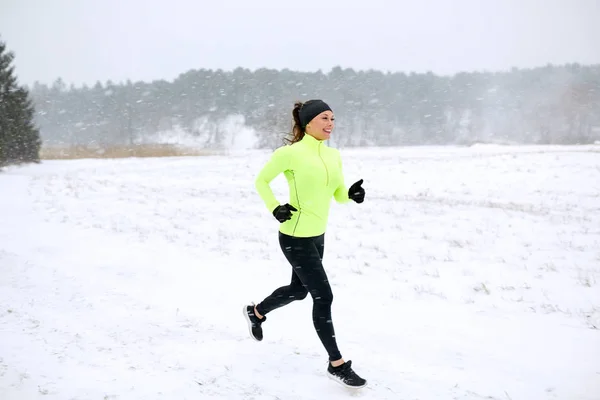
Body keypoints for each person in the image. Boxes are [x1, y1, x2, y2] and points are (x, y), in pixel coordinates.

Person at [243, 99, 367, 389]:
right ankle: (337, 364)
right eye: (324, 118)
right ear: (307, 122)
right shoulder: (289, 154)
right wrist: (275, 207)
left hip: (317, 235)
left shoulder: (333, 155)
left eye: (333, 119)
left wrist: (351, 194)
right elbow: (261, 181)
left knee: (299, 291)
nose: (330, 124)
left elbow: (336, 193)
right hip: (294, 235)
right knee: (323, 296)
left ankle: (256, 312)